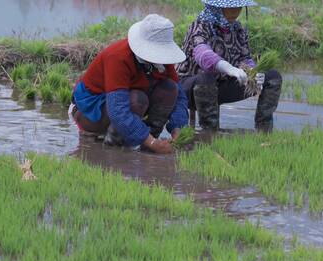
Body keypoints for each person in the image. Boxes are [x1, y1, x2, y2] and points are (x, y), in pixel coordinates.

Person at [70, 14, 188, 154]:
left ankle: (149, 146)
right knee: (137, 99)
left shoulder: (162, 60)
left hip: (126, 104)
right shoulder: (118, 57)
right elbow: (118, 111)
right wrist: (152, 142)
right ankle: (114, 148)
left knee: (170, 89)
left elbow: (179, 96)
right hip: (91, 112)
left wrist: (178, 128)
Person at [177, 0, 282, 131]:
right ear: (215, 8)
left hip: (221, 84)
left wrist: (253, 72)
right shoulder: (200, 26)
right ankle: (209, 133)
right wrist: (228, 68)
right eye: (229, 7)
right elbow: (202, 53)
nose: (235, 11)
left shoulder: (237, 29)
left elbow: (245, 58)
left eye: (238, 7)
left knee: (272, 76)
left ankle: (263, 128)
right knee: (206, 79)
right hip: (191, 87)